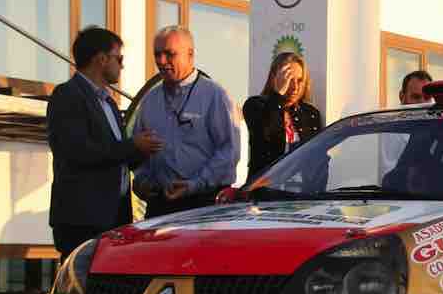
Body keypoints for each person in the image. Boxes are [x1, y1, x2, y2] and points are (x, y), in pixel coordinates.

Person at [48, 27, 163, 261]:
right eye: (118, 59)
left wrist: (144, 152)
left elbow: (117, 155)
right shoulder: (67, 95)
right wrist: (133, 146)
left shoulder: (108, 103)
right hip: (83, 219)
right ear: (101, 59)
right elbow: (78, 151)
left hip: (114, 216)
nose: (122, 66)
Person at [133, 26, 240, 218]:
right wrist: (143, 181)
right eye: (157, 54)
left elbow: (228, 153)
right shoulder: (150, 101)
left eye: (170, 54)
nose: (161, 61)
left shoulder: (215, 96)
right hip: (161, 205)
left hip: (204, 205)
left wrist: (195, 184)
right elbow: (140, 152)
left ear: (190, 55)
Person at [243, 52, 323, 184]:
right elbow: (265, 131)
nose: (295, 87)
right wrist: (278, 94)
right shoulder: (255, 105)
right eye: (288, 80)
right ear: (274, 78)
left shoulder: (310, 113)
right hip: (266, 192)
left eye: (299, 80)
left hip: (303, 193)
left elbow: (317, 158)